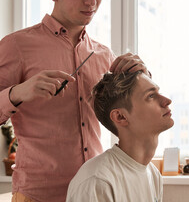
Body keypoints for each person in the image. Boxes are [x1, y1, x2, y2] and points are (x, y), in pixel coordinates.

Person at [0, 0, 148, 201]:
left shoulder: (104, 56)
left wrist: (140, 75)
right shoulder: (17, 47)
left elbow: (133, 122)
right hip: (39, 196)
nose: (91, 1)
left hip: (94, 193)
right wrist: (17, 92)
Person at [66, 71, 174, 202]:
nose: (167, 101)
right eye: (151, 96)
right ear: (120, 117)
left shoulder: (153, 174)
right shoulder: (98, 182)